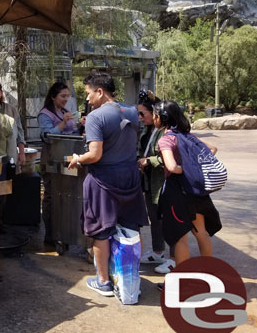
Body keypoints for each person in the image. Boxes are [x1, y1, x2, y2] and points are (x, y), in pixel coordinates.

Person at [68, 72, 148, 297]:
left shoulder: (96, 117)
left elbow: (94, 154)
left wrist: (77, 158)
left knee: (101, 231)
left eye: (89, 93)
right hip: (130, 177)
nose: (88, 99)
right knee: (131, 228)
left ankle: (103, 282)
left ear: (100, 92)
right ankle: (129, 278)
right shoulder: (132, 112)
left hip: (104, 180)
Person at [153, 100, 222, 268]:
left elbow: (171, 166)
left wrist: (186, 169)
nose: (154, 118)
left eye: (155, 115)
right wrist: (195, 168)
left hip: (177, 192)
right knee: (200, 232)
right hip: (196, 192)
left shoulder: (166, 140)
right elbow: (213, 149)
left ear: (162, 118)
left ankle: (181, 281)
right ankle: (208, 274)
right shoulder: (189, 136)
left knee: (179, 238)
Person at [136, 90, 175, 274]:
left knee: (170, 221)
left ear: (155, 114)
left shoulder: (167, 132)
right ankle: (158, 251)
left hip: (163, 183)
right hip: (150, 182)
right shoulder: (148, 130)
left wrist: (148, 161)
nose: (140, 117)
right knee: (154, 218)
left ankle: (175, 258)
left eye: (143, 114)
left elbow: (168, 159)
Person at [38, 81, 79, 245]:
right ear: (53, 97)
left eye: (67, 96)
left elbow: (73, 132)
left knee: (67, 197)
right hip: (51, 160)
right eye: (63, 96)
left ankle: (66, 232)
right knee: (51, 197)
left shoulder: (65, 111)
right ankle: (51, 234)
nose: (66, 99)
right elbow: (47, 136)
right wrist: (62, 123)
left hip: (67, 159)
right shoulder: (44, 114)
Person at [0, 80, 26, 166]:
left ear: (1, 93)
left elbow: (20, 132)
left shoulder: (12, 110)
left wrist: (22, 153)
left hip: (10, 153)